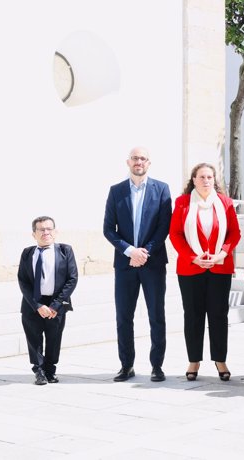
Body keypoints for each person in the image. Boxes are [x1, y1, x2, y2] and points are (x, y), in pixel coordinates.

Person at [103, 147, 172, 383]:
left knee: (156, 315)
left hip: (152, 263)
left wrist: (145, 252)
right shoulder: (116, 191)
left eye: (143, 158)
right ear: (128, 162)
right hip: (125, 264)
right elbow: (107, 229)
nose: (138, 162)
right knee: (123, 317)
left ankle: (157, 366)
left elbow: (164, 227)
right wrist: (130, 250)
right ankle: (126, 365)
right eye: (135, 158)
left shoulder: (161, 189)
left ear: (149, 163)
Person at [169, 163, 241, 382]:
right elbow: (175, 234)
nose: (206, 180)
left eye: (210, 176)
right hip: (190, 268)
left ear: (214, 180)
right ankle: (194, 360)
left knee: (219, 315)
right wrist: (193, 258)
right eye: (201, 177)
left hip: (220, 267)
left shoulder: (225, 203)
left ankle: (220, 360)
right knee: (193, 315)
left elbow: (234, 233)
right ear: (194, 179)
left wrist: (221, 255)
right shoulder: (182, 203)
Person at [18, 216, 78, 385]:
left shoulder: (65, 250)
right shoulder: (27, 253)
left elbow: (72, 279)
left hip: (57, 303)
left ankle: (50, 370)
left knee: (54, 337)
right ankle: (38, 371)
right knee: (34, 338)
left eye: (49, 229)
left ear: (55, 232)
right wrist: (37, 305)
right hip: (32, 303)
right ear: (34, 234)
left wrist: (55, 305)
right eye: (41, 229)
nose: (46, 232)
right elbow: (23, 281)